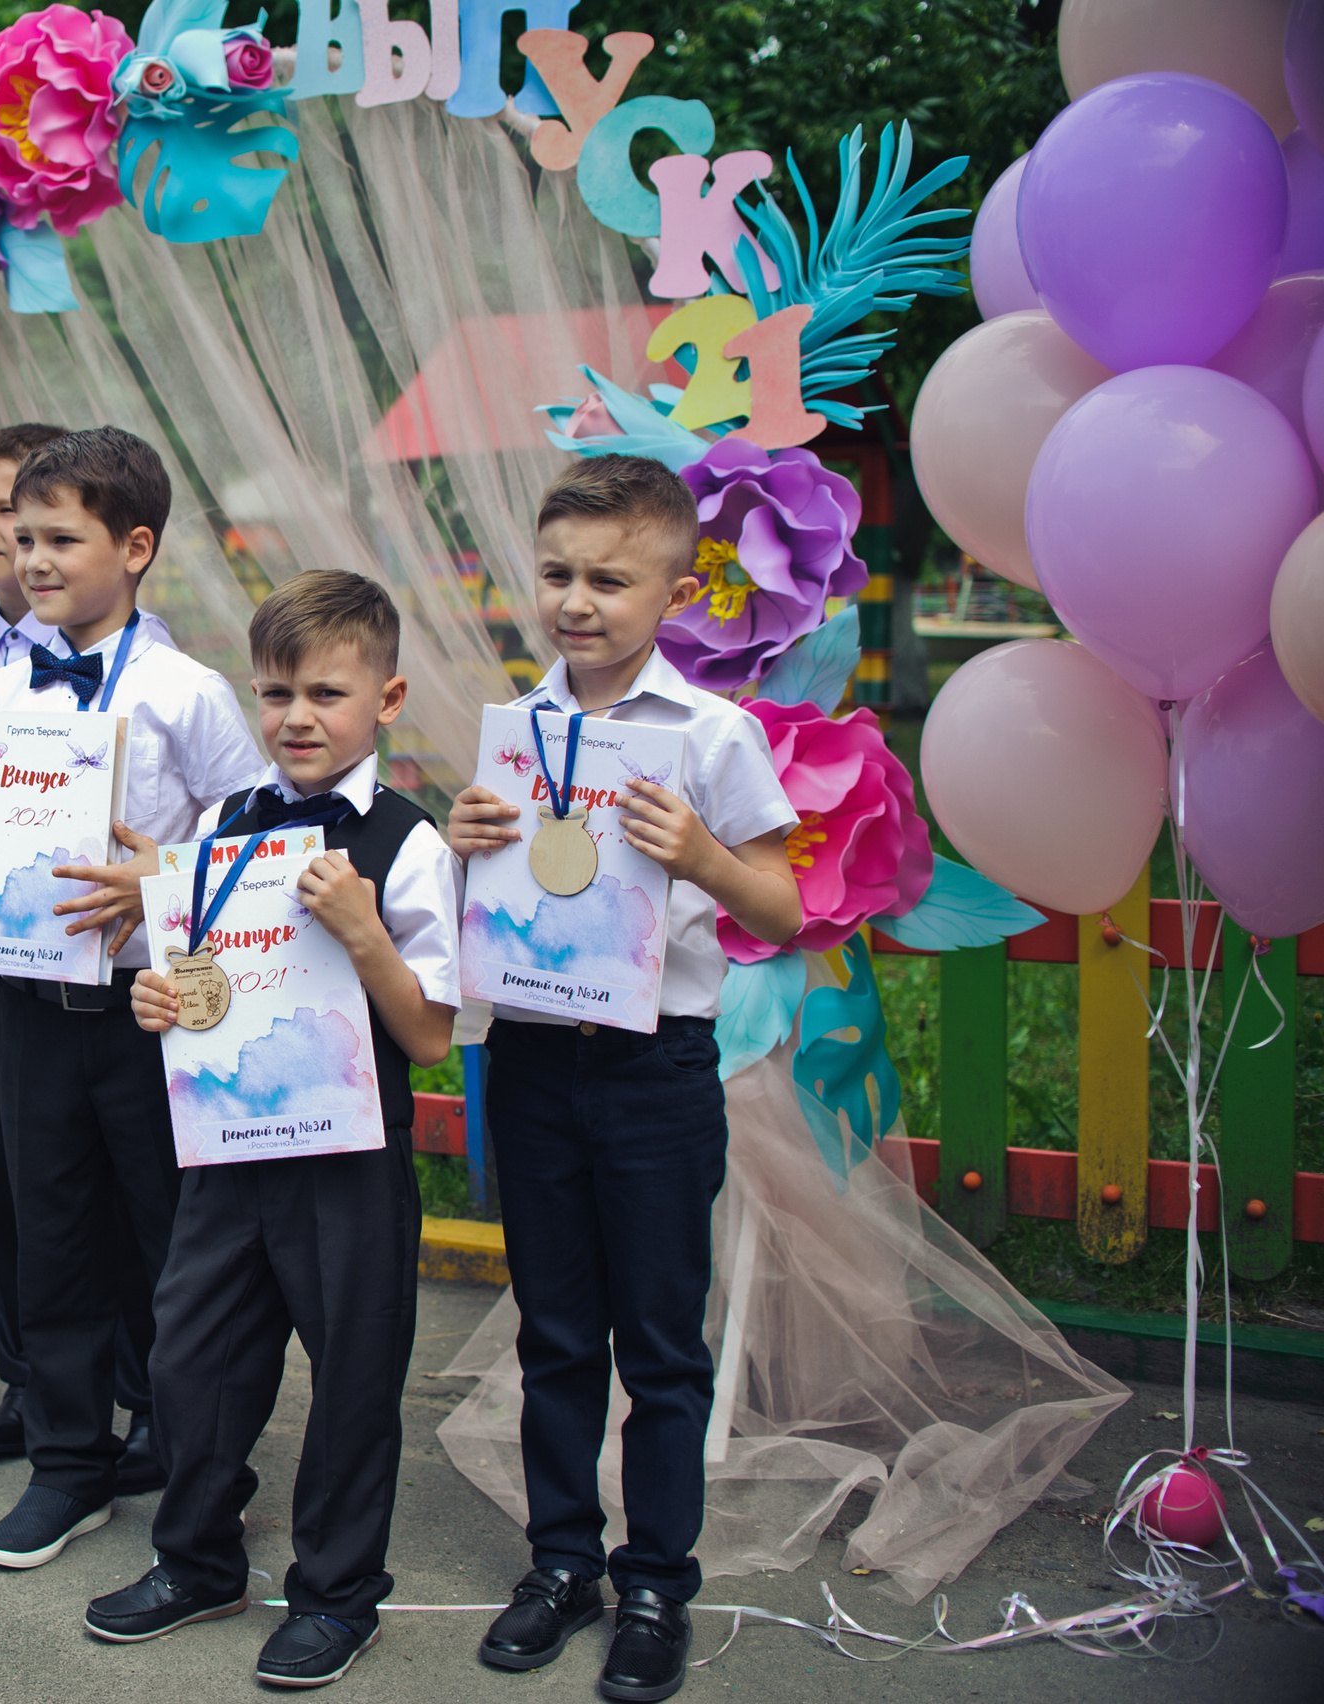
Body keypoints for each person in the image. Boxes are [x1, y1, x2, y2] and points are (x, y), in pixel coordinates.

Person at [445, 456, 802, 1703]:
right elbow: (471, 913)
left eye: (609, 577)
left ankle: (656, 1581)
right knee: (553, 1336)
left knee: (657, 1344)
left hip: (656, 1070)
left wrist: (701, 852)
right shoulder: (514, 732)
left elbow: (787, 906)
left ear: (677, 589)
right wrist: (462, 844)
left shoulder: (713, 735)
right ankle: (559, 1565)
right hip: (534, 1059)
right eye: (556, 574)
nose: (576, 601)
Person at [87, 570, 461, 1689]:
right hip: (224, 1152)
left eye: (326, 694)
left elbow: (432, 1035)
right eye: (275, 693)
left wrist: (361, 933)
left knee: (352, 1376)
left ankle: (338, 1594)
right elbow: (195, 980)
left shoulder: (410, 843)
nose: (297, 718)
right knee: (191, 1357)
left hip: (347, 1165)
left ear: (385, 699)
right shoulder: (218, 824)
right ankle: (194, 1558)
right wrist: (158, 996)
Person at [0, 426, 267, 1569]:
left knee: (174, 1248)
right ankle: (67, 1465)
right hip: (22, 1012)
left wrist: (156, 884)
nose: (29, 559)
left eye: (58, 538)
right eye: (20, 537)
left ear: (135, 547)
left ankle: (192, 1444)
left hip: (146, 1020)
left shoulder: (187, 691)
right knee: (51, 1243)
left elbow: (262, 841)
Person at [0, 421, 169, 1467]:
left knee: (123, 1197)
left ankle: (150, 1400)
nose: (1, 533)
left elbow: (203, 826)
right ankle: (39, 1392)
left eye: (22, 512)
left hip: (107, 976)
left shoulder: (160, 671)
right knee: (17, 1186)